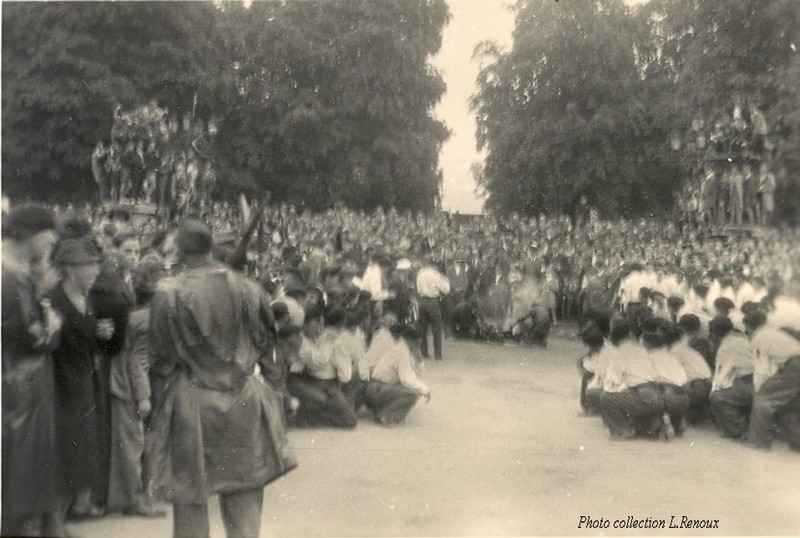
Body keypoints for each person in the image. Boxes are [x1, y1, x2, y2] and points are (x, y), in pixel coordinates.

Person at [148, 217, 296, 538]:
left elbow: (161, 359)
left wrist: (157, 407)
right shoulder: (250, 287)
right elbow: (268, 346)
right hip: (243, 395)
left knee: (190, 497)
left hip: (192, 399)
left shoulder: (169, 293)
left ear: (180, 250)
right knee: (244, 493)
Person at [2, 204, 64, 537]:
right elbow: (34, 338)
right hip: (18, 389)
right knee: (19, 484)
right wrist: (52, 324)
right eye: (49, 237)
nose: (51, 244)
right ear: (32, 233)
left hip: (12, 384)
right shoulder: (13, 274)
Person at [48, 237, 108, 521]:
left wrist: (98, 332)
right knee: (64, 459)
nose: (95, 271)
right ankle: (54, 523)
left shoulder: (85, 299)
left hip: (84, 385)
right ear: (70, 269)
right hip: (62, 389)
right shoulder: (54, 300)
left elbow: (84, 338)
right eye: (89, 267)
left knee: (80, 457)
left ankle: (60, 522)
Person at [107, 257, 166, 518]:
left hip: (126, 381)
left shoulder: (140, 315)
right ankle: (134, 499)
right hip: (128, 386)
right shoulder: (147, 319)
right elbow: (136, 359)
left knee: (136, 444)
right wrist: (143, 396)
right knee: (134, 444)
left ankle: (136, 496)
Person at [744, 310, 800, 451]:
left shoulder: (758, 338)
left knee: (763, 400)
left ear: (749, 326)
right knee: (790, 405)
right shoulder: (774, 332)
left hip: (794, 365)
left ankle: (759, 443)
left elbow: (761, 369)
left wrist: (758, 390)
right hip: (793, 365)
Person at [599, 321, 665, 439]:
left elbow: (611, 383)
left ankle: (623, 430)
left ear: (614, 342)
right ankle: (654, 424)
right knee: (631, 395)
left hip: (642, 396)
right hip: (658, 393)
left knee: (606, 397)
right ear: (629, 335)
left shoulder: (619, 354)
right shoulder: (641, 349)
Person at [364, 324, 431, 426]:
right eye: (417, 343)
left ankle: (382, 412)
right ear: (411, 341)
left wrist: (419, 359)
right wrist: (424, 389)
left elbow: (415, 375)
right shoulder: (401, 351)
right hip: (376, 388)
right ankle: (386, 417)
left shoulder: (405, 349)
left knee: (415, 388)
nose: (418, 346)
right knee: (412, 393)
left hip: (379, 388)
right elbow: (406, 379)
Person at [708, 316, 754, 440]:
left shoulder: (726, 346)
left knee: (717, 397)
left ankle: (739, 431)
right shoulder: (742, 338)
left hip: (749, 383)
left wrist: (715, 388)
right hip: (758, 380)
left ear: (715, 333)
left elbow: (721, 378)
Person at [416, 253, 450, 360]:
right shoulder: (436, 275)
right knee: (436, 328)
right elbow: (446, 289)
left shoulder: (420, 274)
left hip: (422, 301)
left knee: (422, 329)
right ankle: (438, 354)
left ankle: (424, 352)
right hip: (432, 302)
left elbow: (418, 289)